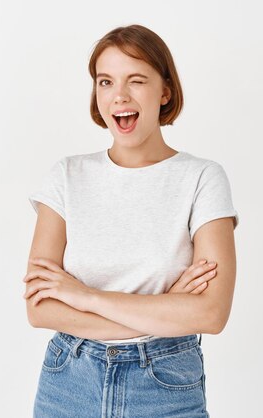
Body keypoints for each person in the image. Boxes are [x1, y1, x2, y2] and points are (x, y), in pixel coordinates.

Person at [24, 24, 239, 417]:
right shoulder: (66, 176)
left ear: (165, 91)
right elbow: (41, 309)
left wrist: (86, 297)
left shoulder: (202, 178)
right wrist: (165, 307)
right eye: (105, 81)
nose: (119, 95)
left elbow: (211, 313)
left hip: (165, 384)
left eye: (136, 80)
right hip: (68, 381)